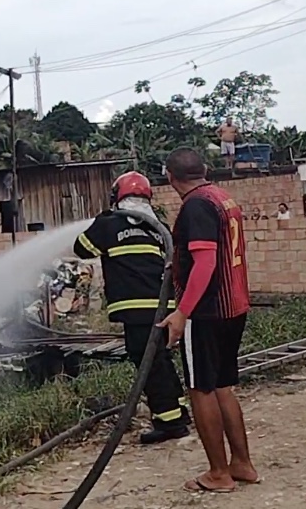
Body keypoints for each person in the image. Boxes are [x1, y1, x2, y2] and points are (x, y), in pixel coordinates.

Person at [157, 147, 257, 494]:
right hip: (234, 307)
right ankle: (241, 464)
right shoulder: (222, 197)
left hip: (207, 311)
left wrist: (182, 311)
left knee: (200, 388)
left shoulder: (196, 205)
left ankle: (218, 472)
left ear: (170, 176)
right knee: (222, 385)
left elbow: (206, 263)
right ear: (205, 170)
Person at [73, 171, 191, 445]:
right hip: (164, 306)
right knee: (160, 359)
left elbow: (82, 249)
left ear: (117, 196)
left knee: (149, 364)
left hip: (135, 308)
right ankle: (179, 412)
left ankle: (169, 422)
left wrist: (101, 220)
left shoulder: (108, 223)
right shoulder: (156, 228)